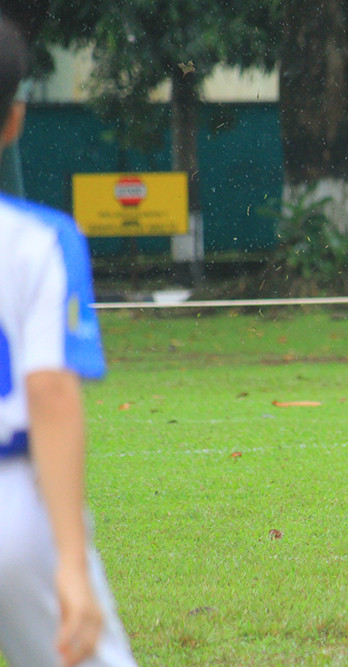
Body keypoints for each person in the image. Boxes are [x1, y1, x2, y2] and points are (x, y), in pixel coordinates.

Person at [0, 19, 137, 667]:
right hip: (13, 512)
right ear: (14, 119)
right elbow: (49, 390)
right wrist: (71, 564)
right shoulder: (37, 239)